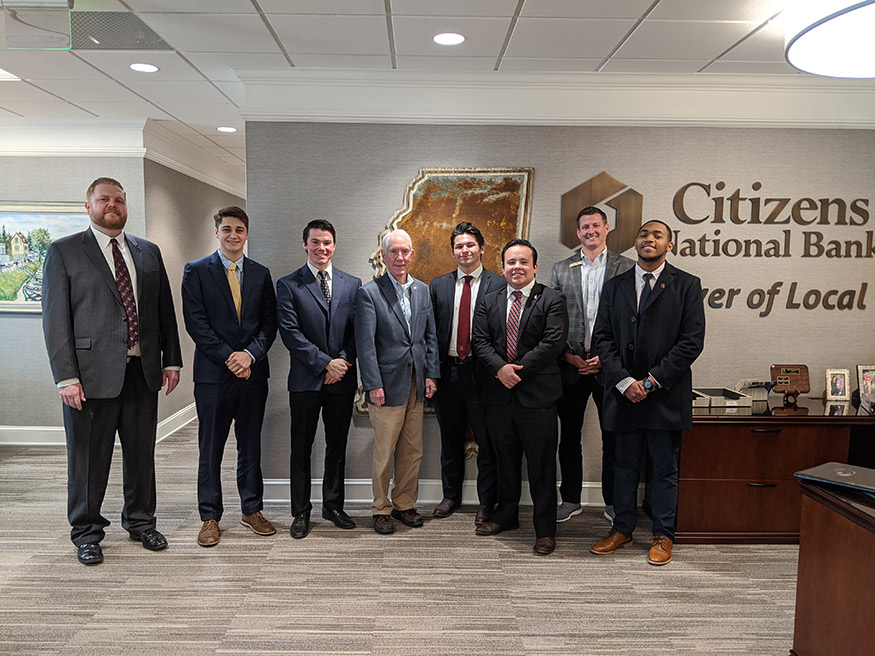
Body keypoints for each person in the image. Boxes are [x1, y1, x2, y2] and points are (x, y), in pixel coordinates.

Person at [42, 177, 182, 565]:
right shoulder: (65, 252)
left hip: (142, 372)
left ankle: (141, 522)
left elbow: (163, 311)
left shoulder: (147, 252)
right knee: (88, 459)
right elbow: (56, 322)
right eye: (104, 199)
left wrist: (171, 359)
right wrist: (66, 376)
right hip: (89, 378)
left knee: (141, 455)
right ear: (88, 206)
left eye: (119, 200)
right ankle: (86, 532)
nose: (113, 205)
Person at [590, 220, 705, 566]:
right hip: (624, 395)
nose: (649, 239)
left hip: (664, 396)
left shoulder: (687, 285)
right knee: (624, 465)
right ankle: (622, 529)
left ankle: (663, 535)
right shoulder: (615, 286)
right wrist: (625, 382)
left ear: (669, 245)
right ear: (635, 242)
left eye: (657, 235)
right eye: (643, 234)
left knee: (664, 469)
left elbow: (691, 342)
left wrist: (651, 381)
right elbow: (603, 338)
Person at [181, 206, 278, 547]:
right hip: (213, 376)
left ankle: (252, 510)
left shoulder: (261, 273)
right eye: (227, 229)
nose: (233, 235)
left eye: (239, 229)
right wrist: (231, 358)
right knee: (211, 449)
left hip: (253, 375)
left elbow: (269, 324)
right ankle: (209, 516)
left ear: (247, 234)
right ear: (217, 233)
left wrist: (249, 355)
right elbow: (197, 325)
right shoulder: (196, 271)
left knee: (250, 446)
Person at [471, 239, 568, 556]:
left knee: (541, 467)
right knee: (505, 463)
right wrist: (501, 370)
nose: (517, 267)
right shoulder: (489, 300)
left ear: (535, 267)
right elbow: (480, 342)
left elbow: (553, 343)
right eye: (511, 262)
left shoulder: (552, 299)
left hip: (537, 397)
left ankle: (545, 531)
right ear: (503, 267)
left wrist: (517, 372)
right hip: (499, 398)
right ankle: (506, 516)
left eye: (523, 262)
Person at [548, 206, 634, 525]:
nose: (590, 231)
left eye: (596, 225)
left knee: (613, 435)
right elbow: (552, 319)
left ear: (607, 227)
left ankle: (612, 502)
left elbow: (631, 320)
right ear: (578, 232)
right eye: (584, 227)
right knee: (568, 436)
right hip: (570, 366)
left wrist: (608, 358)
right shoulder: (561, 268)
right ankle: (570, 499)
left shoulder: (626, 268)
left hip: (609, 368)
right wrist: (568, 355)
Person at [276, 219, 362, 539]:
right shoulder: (288, 284)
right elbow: (291, 334)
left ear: (334, 245)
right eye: (315, 242)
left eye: (326, 242)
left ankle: (333, 506)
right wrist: (326, 364)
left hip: (342, 380)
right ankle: (301, 511)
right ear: (305, 245)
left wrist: (342, 361)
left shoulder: (352, 284)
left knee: (336, 446)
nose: (321, 248)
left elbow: (358, 331)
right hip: (305, 381)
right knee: (301, 447)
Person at [355, 229, 439, 535]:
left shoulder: (422, 290)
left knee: (412, 449)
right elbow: (365, 345)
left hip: (417, 382)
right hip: (386, 385)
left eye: (405, 252)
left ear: (412, 255)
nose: (400, 258)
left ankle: (405, 504)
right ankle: (381, 508)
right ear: (384, 256)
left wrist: (431, 375)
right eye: (394, 252)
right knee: (385, 451)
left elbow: (429, 338)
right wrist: (372, 384)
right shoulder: (369, 293)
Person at [430, 222, 505, 524]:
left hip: (484, 374)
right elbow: (431, 333)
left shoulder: (498, 284)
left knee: (487, 441)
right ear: (452, 251)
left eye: (470, 245)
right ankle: (451, 496)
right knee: (450, 439)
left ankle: (487, 501)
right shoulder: (438, 285)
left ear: (482, 248)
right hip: (448, 373)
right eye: (459, 246)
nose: (465, 250)